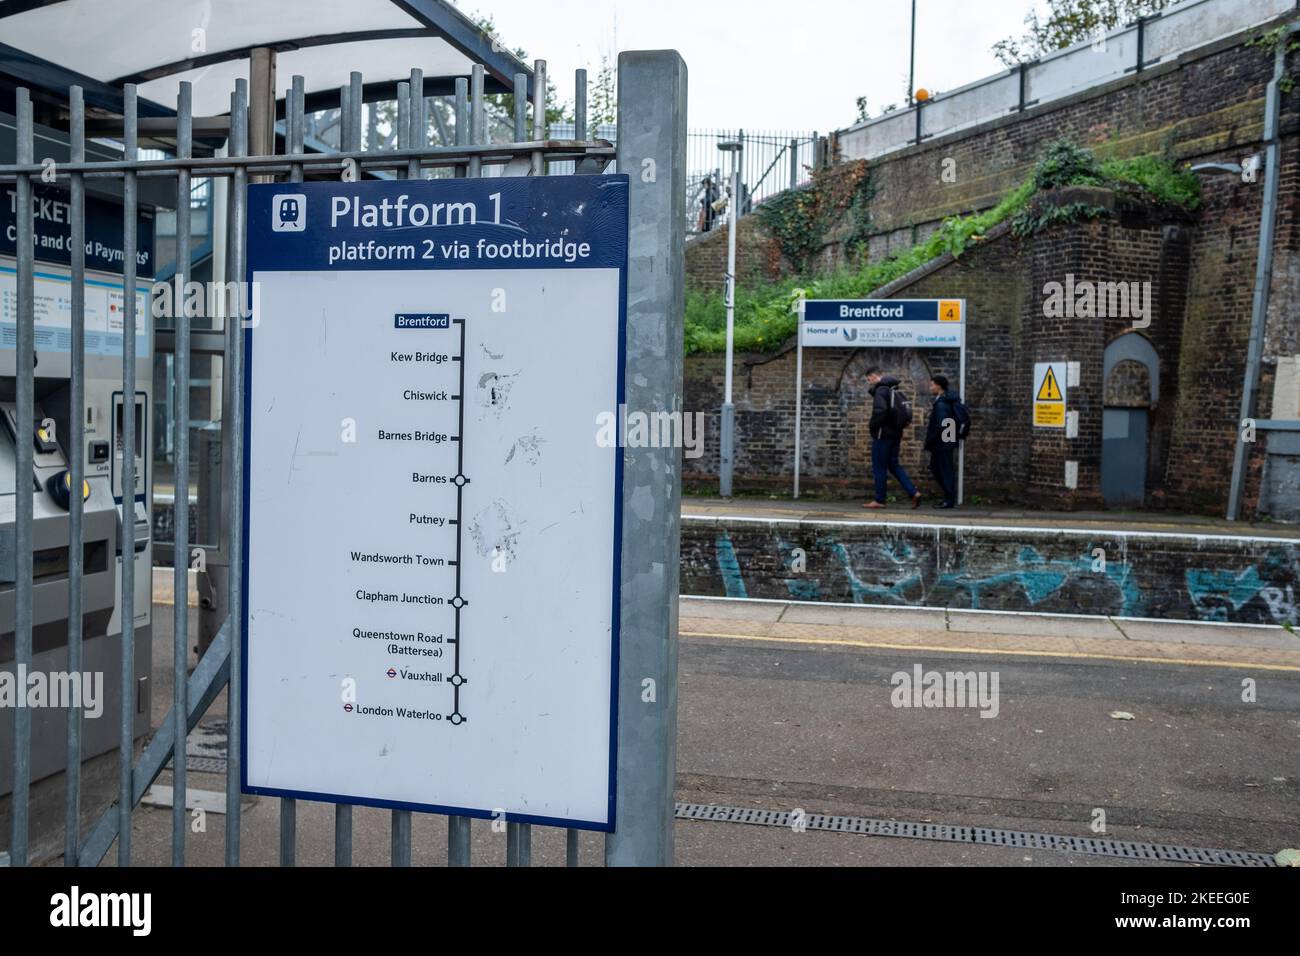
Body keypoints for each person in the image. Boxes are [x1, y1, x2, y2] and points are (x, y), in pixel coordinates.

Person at [865, 367, 921, 509]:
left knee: (879, 467)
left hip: (882, 435)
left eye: (868, 379)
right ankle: (913, 492)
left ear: (873, 376)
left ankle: (879, 499)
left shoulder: (881, 390)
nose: (869, 382)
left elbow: (880, 411)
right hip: (896, 434)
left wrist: (872, 426)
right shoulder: (895, 390)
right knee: (894, 465)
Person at [924, 374, 961, 509]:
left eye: (932, 384)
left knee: (943, 470)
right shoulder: (945, 400)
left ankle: (949, 499)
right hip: (946, 441)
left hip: (942, 443)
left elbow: (943, 424)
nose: (930, 387)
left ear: (939, 386)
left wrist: (934, 441)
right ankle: (947, 497)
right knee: (938, 468)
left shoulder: (941, 404)